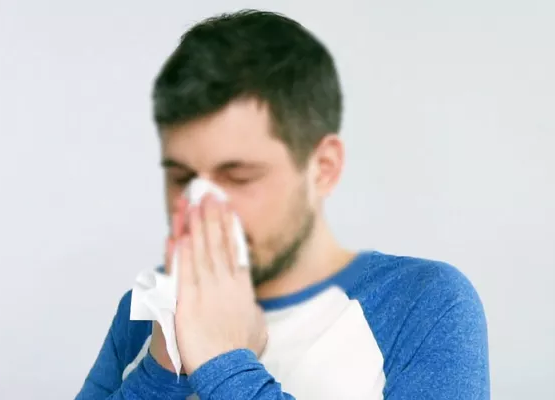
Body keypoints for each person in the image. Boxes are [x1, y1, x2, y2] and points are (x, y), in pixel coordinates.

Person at [74, 9, 490, 400]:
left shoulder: (423, 305)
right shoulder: (145, 312)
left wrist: (224, 367)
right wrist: (160, 372)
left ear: (322, 168)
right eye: (183, 177)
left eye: (239, 175)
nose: (202, 209)